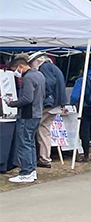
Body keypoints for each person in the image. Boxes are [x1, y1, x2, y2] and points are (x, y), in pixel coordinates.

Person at [5, 55, 43, 184]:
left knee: (24, 144)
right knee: (30, 143)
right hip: (37, 113)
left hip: (27, 114)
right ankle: (31, 170)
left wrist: (12, 103)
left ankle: (26, 172)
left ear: (20, 67)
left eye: (15, 69)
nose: (15, 72)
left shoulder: (28, 78)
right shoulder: (39, 75)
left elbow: (27, 99)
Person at [32, 54, 69, 168]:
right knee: (44, 130)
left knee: (33, 128)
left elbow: (48, 83)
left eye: (32, 63)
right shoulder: (54, 68)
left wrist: (44, 96)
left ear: (38, 61)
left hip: (48, 104)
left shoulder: (44, 68)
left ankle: (37, 158)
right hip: (57, 104)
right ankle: (45, 158)